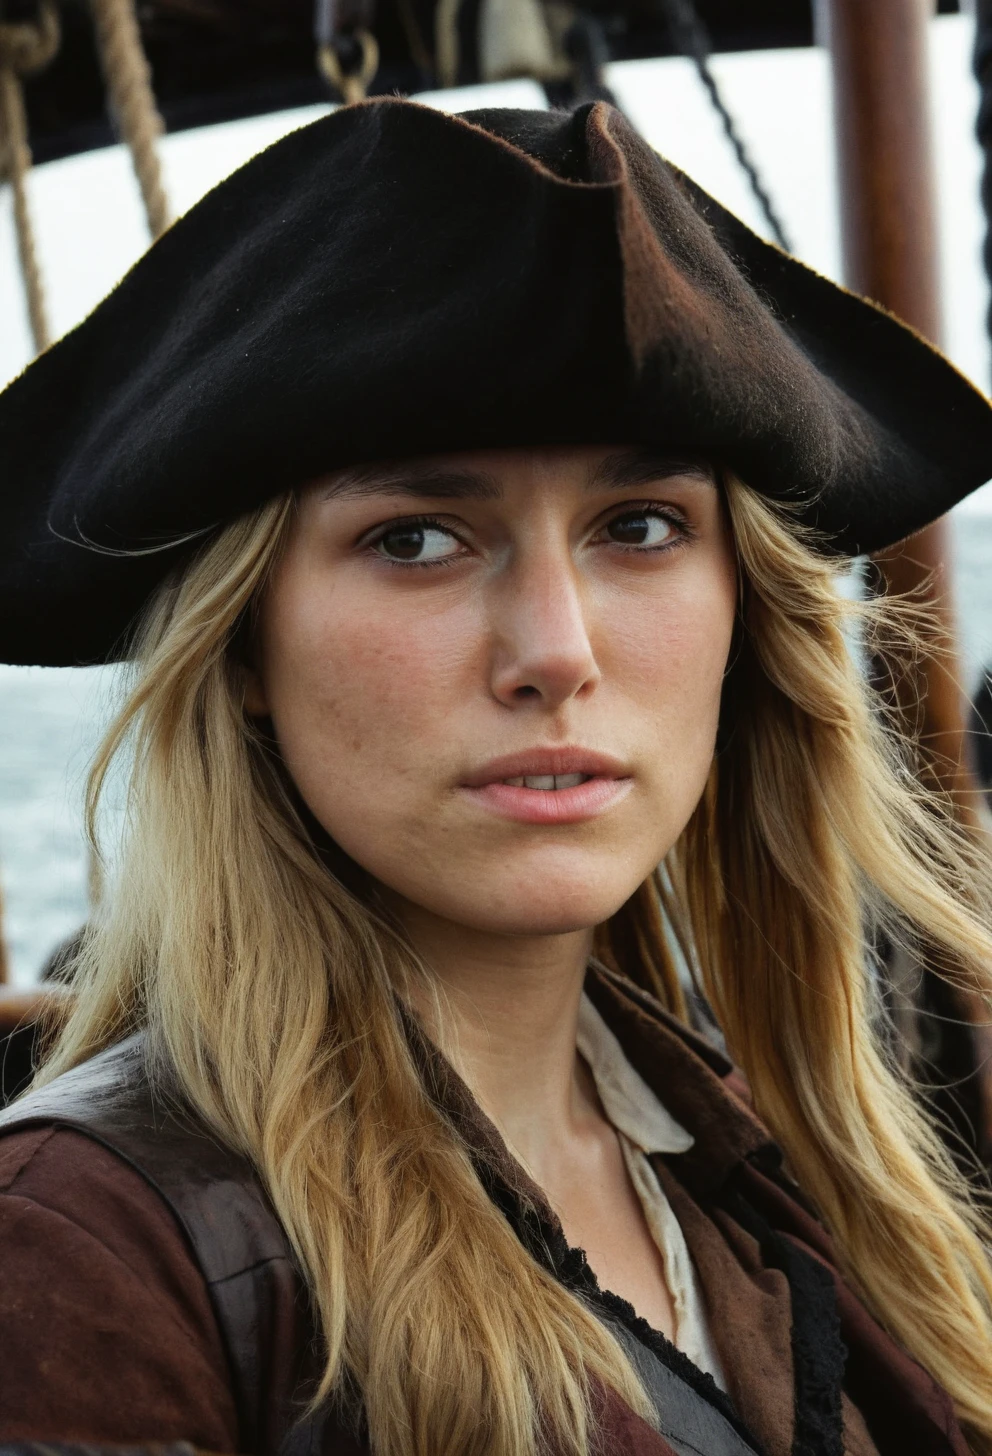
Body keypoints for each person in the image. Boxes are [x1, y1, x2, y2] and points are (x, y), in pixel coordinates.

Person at [0, 99, 991, 1456]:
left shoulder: (759, 1173)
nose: (555, 651)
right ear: (239, 646)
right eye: (417, 539)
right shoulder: (82, 1257)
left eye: (639, 527)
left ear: (742, 613)